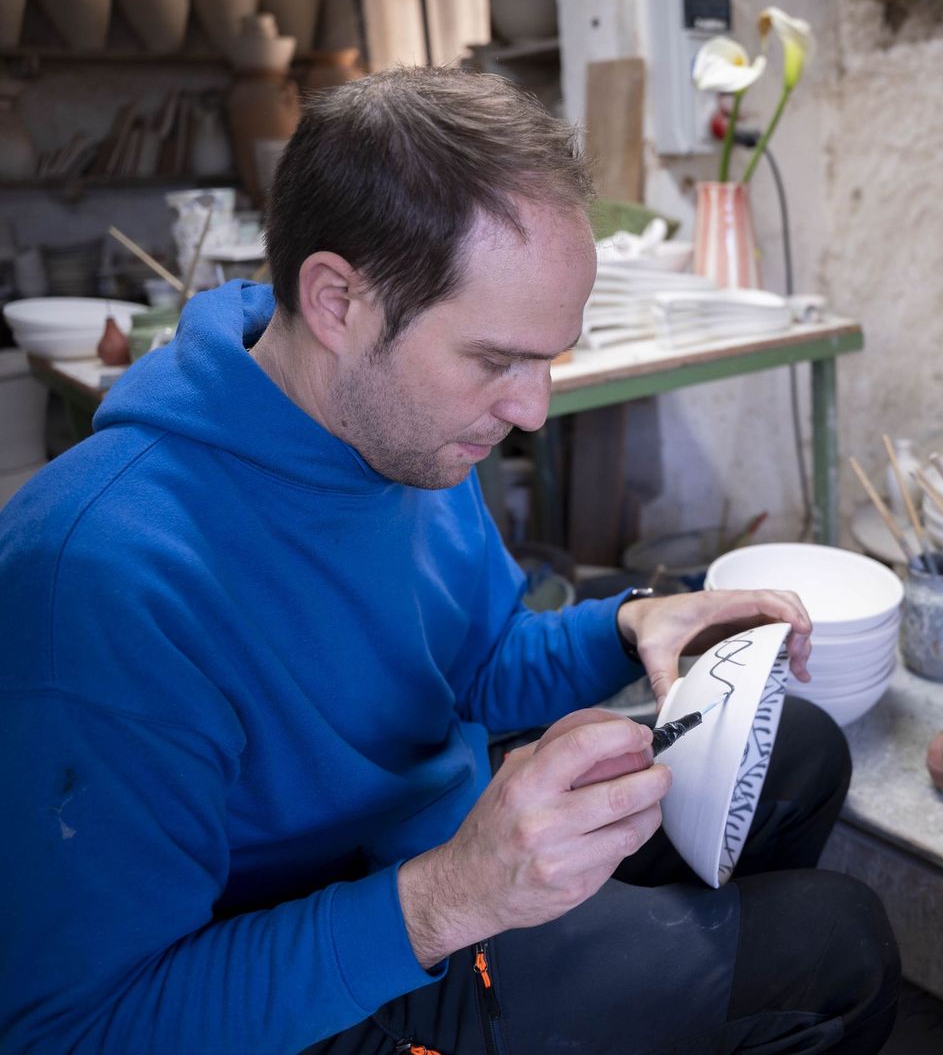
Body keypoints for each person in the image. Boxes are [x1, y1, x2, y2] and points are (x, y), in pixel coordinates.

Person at [0, 68, 898, 1054]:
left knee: (799, 751)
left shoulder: (405, 429)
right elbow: (78, 1029)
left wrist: (629, 621)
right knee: (837, 949)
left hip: (437, 853)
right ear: (338, 300)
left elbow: (472, 660)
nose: (532, 409)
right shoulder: (97, 575)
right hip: (320, 971)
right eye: (497, 359)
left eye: (549, 357)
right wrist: (451, 896)